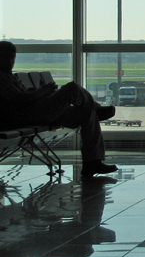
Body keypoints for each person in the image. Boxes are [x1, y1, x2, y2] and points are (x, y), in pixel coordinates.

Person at [0, 41, 118, 178]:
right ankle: (96, 108)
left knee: (87, 114)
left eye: (12, 58)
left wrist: (40, 93)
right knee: (71, 88)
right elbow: (20, 100)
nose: (10, 61)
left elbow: (22, 97)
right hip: (25, 116)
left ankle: (92, 163)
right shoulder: (1, 79)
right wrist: (42, 92)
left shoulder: (9, 76)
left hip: (33, 112)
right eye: (6, 57)